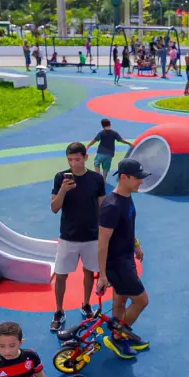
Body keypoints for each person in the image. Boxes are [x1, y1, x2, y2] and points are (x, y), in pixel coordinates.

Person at [97, 158, 150, 359]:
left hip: (126, 258)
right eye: (137, 178)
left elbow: (126, 227)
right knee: (141, 301)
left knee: (120, 300)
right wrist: (103, 275)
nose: (141, 182)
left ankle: (120, 335)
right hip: (117, 264)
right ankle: (117, 336)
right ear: (124, 177)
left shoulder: (126, 197)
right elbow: (102, 243)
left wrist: (135, 244)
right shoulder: (111, 206)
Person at [50, 142, 105, 331]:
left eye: (77, 159)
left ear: (86, 158)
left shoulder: (96, 179)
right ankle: (59, 310)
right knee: (61, 275)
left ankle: (86, 304)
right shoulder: (60, 178)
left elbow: (101, 208)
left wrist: (105, 233)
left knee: (89, 272)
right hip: (68, 237)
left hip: (92, 236)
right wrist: (63, 190)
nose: (73, 164)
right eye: (70, 160)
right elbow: (54, 208)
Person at [86, 118, 133, 183]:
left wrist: (88, 146)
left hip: (101, 152)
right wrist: (129, 143)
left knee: (96, 162)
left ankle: (98, 175)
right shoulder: (114, 133)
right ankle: (104, 179)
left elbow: (94, 140)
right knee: (106, 167)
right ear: (110, 124)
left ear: (102, 126)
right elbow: (121, 140)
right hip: (109, 154)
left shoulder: (101, 133)